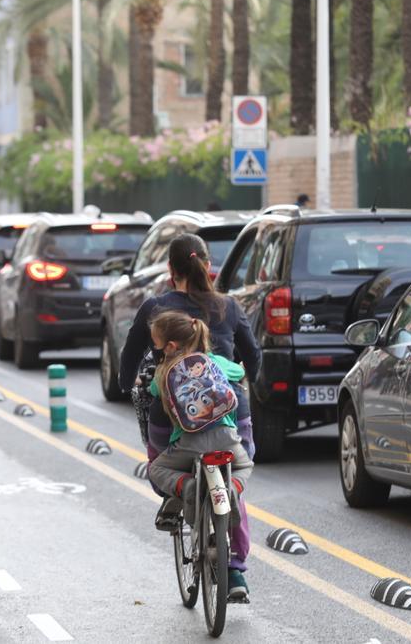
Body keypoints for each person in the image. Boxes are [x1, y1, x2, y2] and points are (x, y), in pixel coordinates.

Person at [118, 233, 260, 600]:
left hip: (172, 413)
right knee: (236, 480)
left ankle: (176, 496)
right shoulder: (229, 307)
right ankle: (237, 571)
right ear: (208, 267)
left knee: (160, 461)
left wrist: (125, 384)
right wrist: (241, 387)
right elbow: (254, 357)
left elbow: (130, 354)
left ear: (170, 271)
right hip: (231, 414)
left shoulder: (156, 307)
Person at [146, 311, 254, 603]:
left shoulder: (165, 370)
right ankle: (232, 490)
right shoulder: (215, 362)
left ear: (169, 346)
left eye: (157, 345)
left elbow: (153, 391)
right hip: (227, 441)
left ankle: (187, 488)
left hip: (188, 444)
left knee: (156, 469)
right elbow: (239, 373)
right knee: (245, 464)